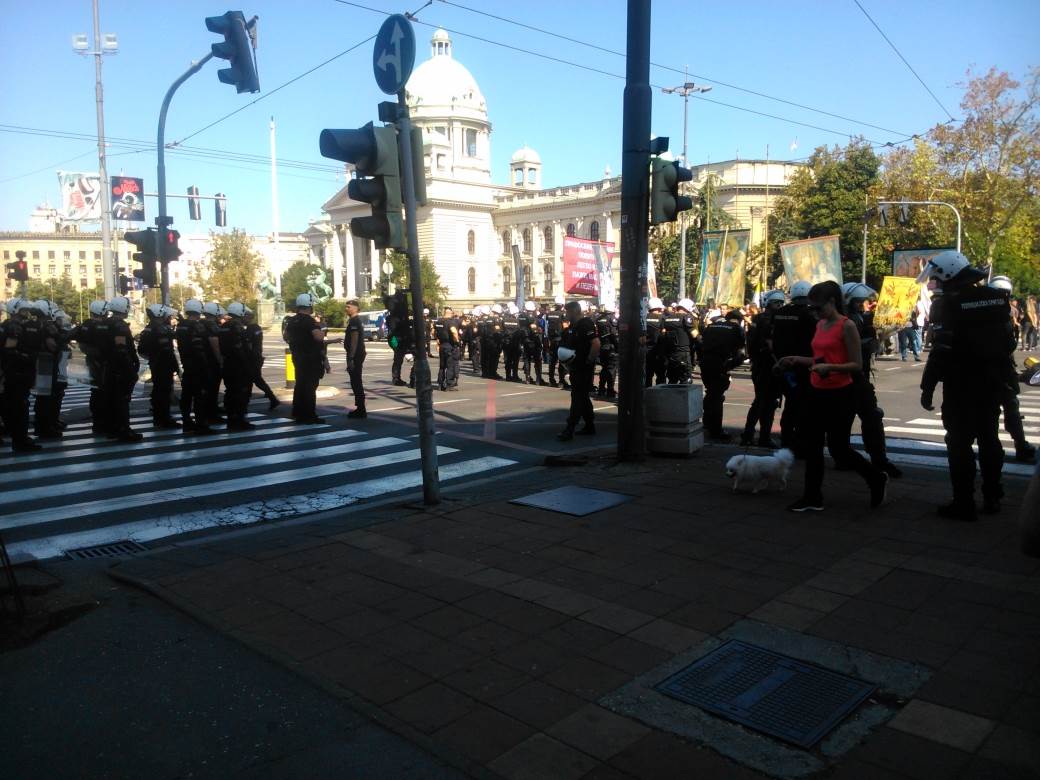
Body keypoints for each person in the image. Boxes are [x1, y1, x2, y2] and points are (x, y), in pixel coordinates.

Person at [779, 281, 888, 512]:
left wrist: (830, 368)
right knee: (813, 445)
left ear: (831, 302)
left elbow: (856, 365)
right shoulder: (820, 325)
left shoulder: (846, 326)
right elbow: (819, 359)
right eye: (812, 308)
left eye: (818, 307)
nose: (815, 312)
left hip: (841, 393)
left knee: (839, 448)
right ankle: (812, 496)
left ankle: (875, 477)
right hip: (816, 390)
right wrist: (796, 359)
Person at [920, 252, 1014, 520]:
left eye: (938, 278)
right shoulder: (997, 299)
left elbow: (941, 350)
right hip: (992, 382)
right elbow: (1010, 343)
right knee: (989, 439)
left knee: (959, 443)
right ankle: (993, 495)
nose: (936, 283)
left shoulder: (949, 305)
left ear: (949, 275)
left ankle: (964, 502)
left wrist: (927, 387)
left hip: (960, 384)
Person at [844, 283, 902, 478]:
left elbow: (874, 344)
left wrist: (882, 330)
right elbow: (846, 347)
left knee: (871, 417)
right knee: (846, 420)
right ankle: (861, 461)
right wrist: (868, 339)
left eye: (863, 301)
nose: (861, 305)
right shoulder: (844, 320)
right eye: (857, 301)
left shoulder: (860, 318)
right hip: (846, 377)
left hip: (860, 376)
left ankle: (878, 459)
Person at [989, 276, 1035, 463]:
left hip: (979, 370)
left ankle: (995, 445)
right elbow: (1009, 344)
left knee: (989, 411)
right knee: (1011, 408)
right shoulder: (1004, 313)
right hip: (1001, 370)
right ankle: (1020, 445)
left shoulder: (975, 310)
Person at [770, 280, 817, 453]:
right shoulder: (809, 315)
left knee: (790, 404)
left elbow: (772, 338)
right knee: (803, 406)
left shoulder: (779, 313)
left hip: (782, 364)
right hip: (802, 365)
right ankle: (800, 443)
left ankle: (786, 440)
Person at [741, 289, 785, 448]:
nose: (779, 305)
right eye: (776, 302)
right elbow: (760, 343)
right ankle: (760, 436)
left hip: (762, 365)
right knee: (764, 402)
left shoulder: (758, 318)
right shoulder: (769, 320)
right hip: (766, 366)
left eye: (781, 302)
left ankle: (751, 435)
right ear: (768, 303)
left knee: (764, 402)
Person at [1, 298, 44, 452]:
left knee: (14, 407)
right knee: (19, 408)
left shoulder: (11, 325)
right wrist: (27, 357)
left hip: (14, 373)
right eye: (23, 310)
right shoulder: (14, 327)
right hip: (17, 373)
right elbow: (9, 350)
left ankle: (20, 438)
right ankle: (20, 441)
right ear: (15, 311)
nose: (26, 312)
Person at [99, 295, 143, 442]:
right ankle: (124, 430)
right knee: (122, 400)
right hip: (119, 368)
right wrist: (130, 370)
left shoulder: (104, 323)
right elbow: (121, 349)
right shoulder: (119, 325)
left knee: (111, 399)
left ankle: (112, 428)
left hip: (108, 366)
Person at [698, 309, 746, 441]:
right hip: (720, 364)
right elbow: (741, 353)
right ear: (739, 320)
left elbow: (700, 342)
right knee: (717, 397)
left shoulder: (711, 326)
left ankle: (707, 424)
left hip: (705, 363)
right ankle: (716, 431)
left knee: (710, 394)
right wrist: (730, 366)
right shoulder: (737, 329)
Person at [557, 300, 599, 441]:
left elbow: (596, 343)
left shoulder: (585, 323)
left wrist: (589, 360)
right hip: (575, 366)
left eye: (567, 312)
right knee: (583, 397)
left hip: (583, 368)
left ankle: (570, 428)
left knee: (577, 397)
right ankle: (589, 425)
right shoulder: (573, 326)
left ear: (574, 311)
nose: (566, 314)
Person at [285, 293, 329, 423]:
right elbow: (318, 337)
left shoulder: (292, 320)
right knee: (310, 387)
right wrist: (322, 330)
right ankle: (309, 415)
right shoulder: (309, 321)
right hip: (310, 359)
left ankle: (297, 411)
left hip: (297, 358)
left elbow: (286, 336)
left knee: (300, 385)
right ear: (309, 306)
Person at [175, 299, 216, 434]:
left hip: (186, 363)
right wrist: (206, 366)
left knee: (186, 395)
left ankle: (186, 421)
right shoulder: (197, 326)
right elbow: (199, 348)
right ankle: (201, 424)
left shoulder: (181, 325)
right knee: (200, 395)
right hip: (198, 365)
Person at [139, 303, 181, 428]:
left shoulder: (149, 327)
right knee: (164, 391)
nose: (166, 317)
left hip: (155, 363)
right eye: (164, 314)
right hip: (163, 364)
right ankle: (163, 418)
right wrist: (175, 366)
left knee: (158, 390)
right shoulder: (160, 329)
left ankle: (160, 416)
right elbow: (166, 350)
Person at [222, 302, 255, 430]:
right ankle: (239, 420)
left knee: (230, 392)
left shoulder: (223, 326)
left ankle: (232, 418)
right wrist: (248, 364)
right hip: (239, 365)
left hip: (228, 363)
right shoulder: (237, 327)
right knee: (241, 392)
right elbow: (241, 347)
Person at [244, 308, 280, 410]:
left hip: (252, 358)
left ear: (247, 318)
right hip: (257, 357)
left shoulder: (250, 329)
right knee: (252, 380)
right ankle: (271, 398)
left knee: (256, 380)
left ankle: (273, 398)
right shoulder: (257, 327)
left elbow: (249, 344)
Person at [659, 298, 697, 384]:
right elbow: (694, 334)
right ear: (687, 308)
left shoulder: (668, 318)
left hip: (671, 354)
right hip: (683, 353)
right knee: (686, 380)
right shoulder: (686, 317)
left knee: (672, 380)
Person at [345, 298, 368, 417]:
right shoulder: (354, 321)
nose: (346, 309)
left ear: (355, 308)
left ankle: (361, 409)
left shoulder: (354, 321)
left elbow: (354, 340)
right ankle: (360, 407)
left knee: (356, 382)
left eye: (348, 307)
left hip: (355, 355)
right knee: (355, 381)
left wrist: (351, 358)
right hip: (357, 354)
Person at [595, 306, 619, 398]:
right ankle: (610, 390)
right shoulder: (611, 318)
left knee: (604, 369)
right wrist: (618, 347)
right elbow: (614, 334)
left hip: (602, 347)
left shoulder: (599, 319)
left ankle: (601, 389)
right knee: (611, 370)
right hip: (610, 347)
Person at [545, 303, 567, 387]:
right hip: (560, 340)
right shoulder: (562, 314)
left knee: (552, 361)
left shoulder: (550, 314)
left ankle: (551, 380)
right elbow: (565, 327)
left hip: (552, 340)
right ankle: (561, 381)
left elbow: (547, 326)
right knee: (561, 361)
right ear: (561, 305)